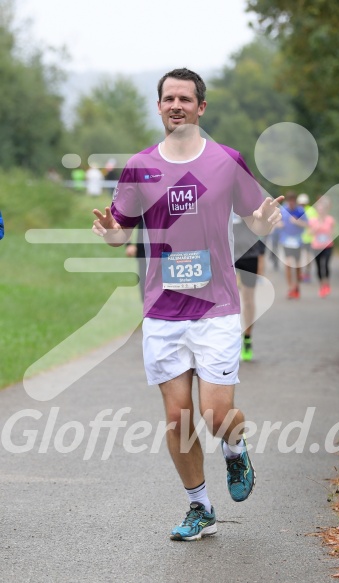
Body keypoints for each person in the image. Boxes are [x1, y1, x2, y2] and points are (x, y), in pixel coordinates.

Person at [92, 68, 283, 541]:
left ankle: (235, 451)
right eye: (168, 98)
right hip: (162, 311)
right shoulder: (139, 166)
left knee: (217, 415)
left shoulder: (226, 160)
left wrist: (264, 220)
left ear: (201, 107)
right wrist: (112, 233)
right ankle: (200, 507)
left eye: (185, 98)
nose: (176, 105)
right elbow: (121, 231)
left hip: (217, 307)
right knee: (178, 418)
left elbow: (254, 218)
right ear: (158, 107)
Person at [233, 213, 264, 361]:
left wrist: (262, 256)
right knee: (223, 299)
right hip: (227, 254)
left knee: (248, 300)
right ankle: (226, 340)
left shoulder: (248, 198)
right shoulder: (220, 195)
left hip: (249, 255)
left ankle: (247, 338)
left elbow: (261, 226)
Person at [278, 191, 308, 299]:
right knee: (288, 264)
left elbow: (306, 224)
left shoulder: (300, 211)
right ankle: (290, 287)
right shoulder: (283, 210)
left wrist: (297, 222)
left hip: (298, 241)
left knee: (297, 265)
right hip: (286, 241)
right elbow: (277, 222)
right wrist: (279, 224)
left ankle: (297, 286)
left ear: (295, 201)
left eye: (292, 201)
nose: (291, 204)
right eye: (289, 201)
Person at [308, 196, 335, 298]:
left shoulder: (330, 220)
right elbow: (310, 233)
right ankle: (321, 286)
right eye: (319, 210)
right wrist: (317, 227)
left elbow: (332, 232)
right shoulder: (313, 220)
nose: (321, 211)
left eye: (322, 210)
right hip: (316, 246)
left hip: (328, 246)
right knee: (319, 266)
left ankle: (327, 284)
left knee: (326, 265)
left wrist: (329, 233)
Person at [296, 193, 317, 282]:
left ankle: (305, 274)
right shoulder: (310, 210)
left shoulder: (310, 211)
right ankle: (303, 274)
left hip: (307, 238)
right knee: (303, 257)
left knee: (306, 257)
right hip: (300, 238)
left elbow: (313, 224)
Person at [125, 217, 146, 302]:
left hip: (168, 253)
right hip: (143, 252)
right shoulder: (142, 203)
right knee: (145, 290)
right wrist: (128, 244)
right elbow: (127, 222)